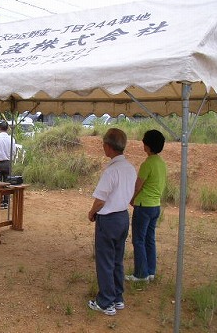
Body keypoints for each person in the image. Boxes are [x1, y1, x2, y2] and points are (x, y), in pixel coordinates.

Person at [87, 128, 137, 316]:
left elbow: (100, 200)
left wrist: (92, 213)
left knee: (105, 261)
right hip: (123, 217)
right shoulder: (130, 168)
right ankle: (117, 297)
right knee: (117, 260)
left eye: (103, 145)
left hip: (108, 219)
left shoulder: (111, 171)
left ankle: (105, 302)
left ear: (108, 147)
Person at [126, 130, 167, 282]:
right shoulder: (161, 163)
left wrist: (131, 199)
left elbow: (138, 186)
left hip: (143, 206)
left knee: (138, 240)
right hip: (155, 206)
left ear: (147, 145)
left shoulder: (147, 164)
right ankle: (151, 271)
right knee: (150, 239)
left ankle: (141, 274)